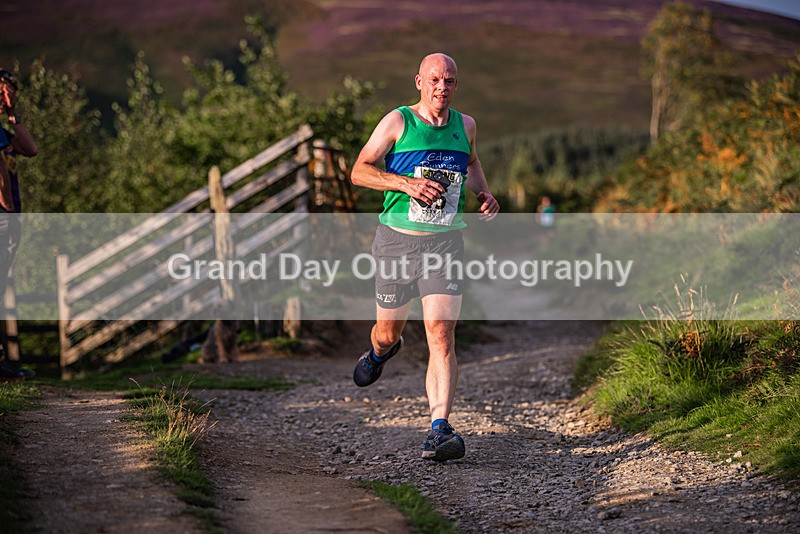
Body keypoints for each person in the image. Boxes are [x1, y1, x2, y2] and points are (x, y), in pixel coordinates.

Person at [350, 53, 500, 461]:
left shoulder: (466, 126)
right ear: (419, 81)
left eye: (449, 81)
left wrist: (484, 193)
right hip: (396, 242)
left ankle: (439, 429)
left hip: (444, 243)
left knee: (441, 334)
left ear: (456, 85)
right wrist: (407, 184)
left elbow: (471, 162)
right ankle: (381, 352)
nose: (441, 87)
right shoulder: (398, 121)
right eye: (434, 79)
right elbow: (359, 171)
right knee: (387, 332)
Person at [0, 69, 38, 381]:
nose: (6, 97)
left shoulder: (4, 132)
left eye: (11, 92)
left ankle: (5, 363)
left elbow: (30, 149)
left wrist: (13, 115)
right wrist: (7, 202)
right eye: (3, 91)